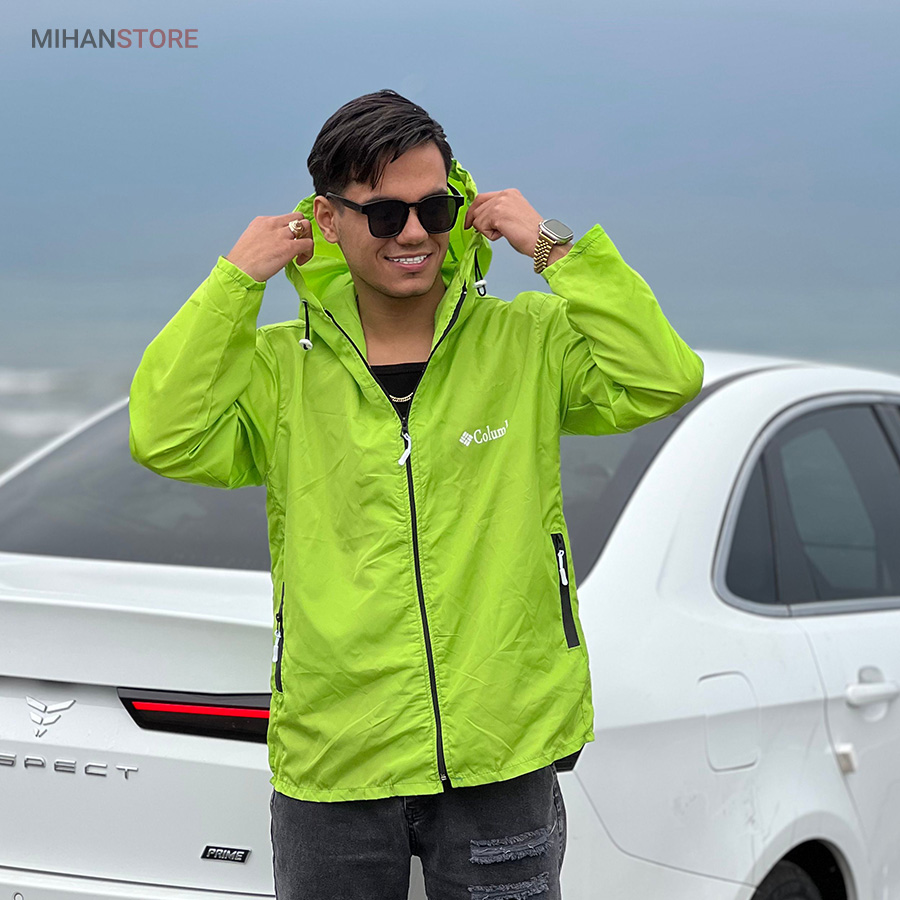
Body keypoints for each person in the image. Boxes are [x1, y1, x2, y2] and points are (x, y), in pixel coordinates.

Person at [128, 88, 704, 899]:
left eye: (434, 209)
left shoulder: (526, 342)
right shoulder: (279, 368)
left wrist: (552, 247)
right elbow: (165, 434)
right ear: (328, 220)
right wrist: (235, 281)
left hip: (501, 749)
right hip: (337, 755)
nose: (413, 234)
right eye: (383, 213)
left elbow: (662, 377)